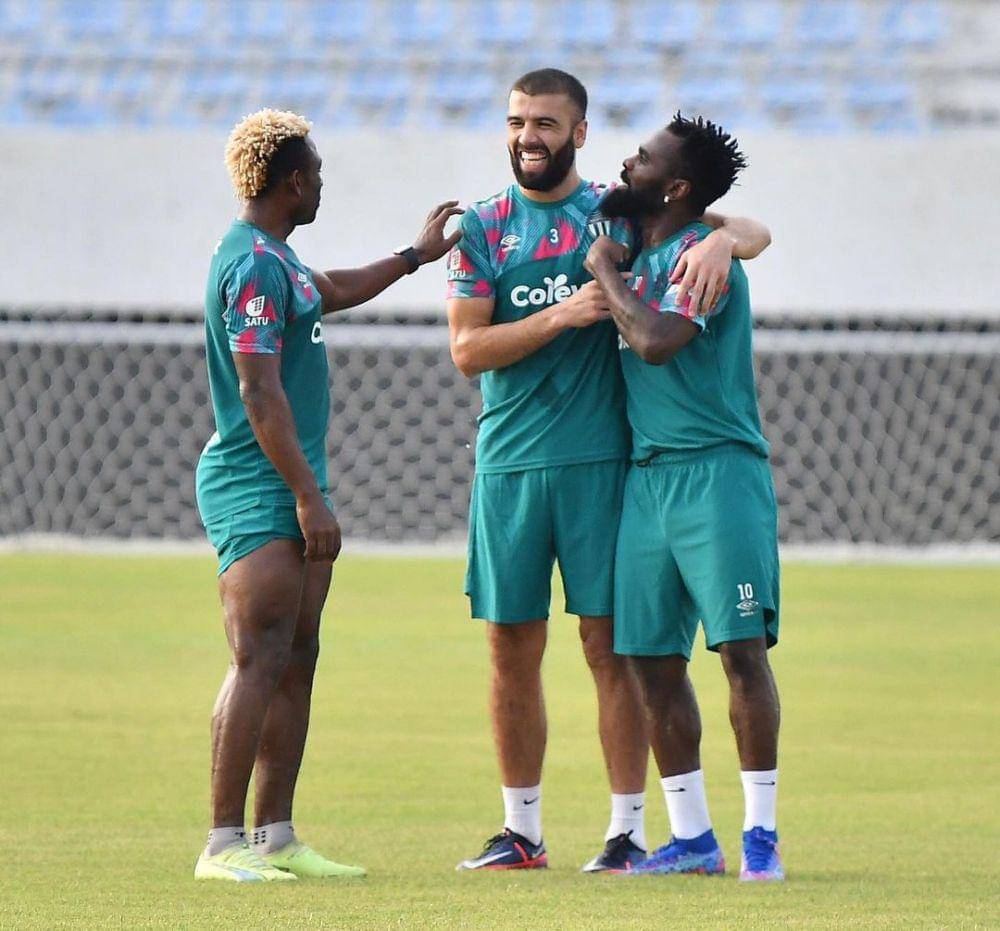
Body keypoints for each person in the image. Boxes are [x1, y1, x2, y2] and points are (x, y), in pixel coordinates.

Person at [446, 70, 772, 873]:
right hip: (509, 462)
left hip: (606, 463)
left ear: (579, 133)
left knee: (612, 648)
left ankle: (627, 831)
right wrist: (561, 313)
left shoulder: (614, 208)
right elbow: (466, 349)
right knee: (510, 647)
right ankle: (521, 830)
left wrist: (725, 241)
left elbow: (742, 225)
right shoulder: (482, 226)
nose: (529, 136)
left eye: (545, 123)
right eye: (517, 121)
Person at [194, 108, 461, 882]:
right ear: (291, 181)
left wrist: (414, 256)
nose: (322, 185)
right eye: (316, 173)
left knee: (296, 655)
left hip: (288, 480)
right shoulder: (251, 265)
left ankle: (275, 834)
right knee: (258, 655)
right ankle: (221, 844)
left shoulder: (277, 259)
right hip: (258, 483)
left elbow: (334, 287)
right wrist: (308, 496)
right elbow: (258, 391)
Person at [584, 113, 784, 882]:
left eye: (642, 159)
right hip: (648, 478)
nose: (625, 164)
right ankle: (693, 837)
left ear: (674, 187)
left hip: (717, 473)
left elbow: (657, 342)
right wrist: (732, 231)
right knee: (648, 659)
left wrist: (608, 275)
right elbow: (751, 228)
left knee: (740, 651)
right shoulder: (640, 236)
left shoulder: (702, 260)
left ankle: (761, 835)